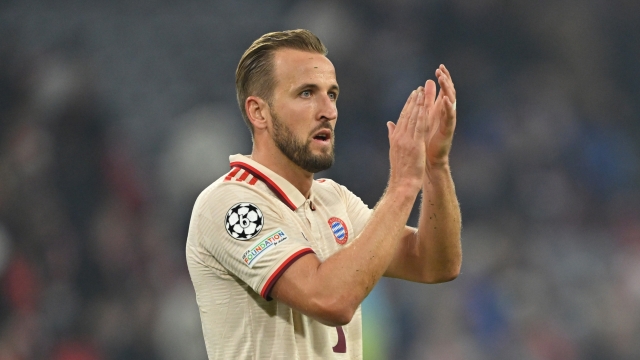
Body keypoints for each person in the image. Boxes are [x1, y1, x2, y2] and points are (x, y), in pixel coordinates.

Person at [186, 29, 461, 359]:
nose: (328, 111)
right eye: (306, 93)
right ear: (259, 112)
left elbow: (435, 263)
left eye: (331, 94)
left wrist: (435, 164)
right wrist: (402, 186)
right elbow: (329, 300)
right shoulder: (231, 205)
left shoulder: (334, 200)